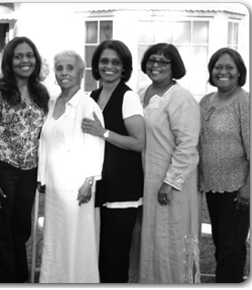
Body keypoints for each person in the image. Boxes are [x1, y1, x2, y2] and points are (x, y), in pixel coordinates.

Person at [0, 36, 50, 283]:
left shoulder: (41, 93)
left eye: (29, 55)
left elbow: (43, 135)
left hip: (29, 172)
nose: (25, 60)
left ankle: (17, 280)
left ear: (35, 59)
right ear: (9, 61)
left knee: (20, 231)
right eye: (18, 56)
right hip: (0, 170)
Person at [38, 50, 105, 283]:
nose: (64, 72)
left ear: (80, 74)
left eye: (70, 68)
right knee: (56, 239)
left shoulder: (88, 106)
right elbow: (45, 140)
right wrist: (42, 177)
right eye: (59, 68)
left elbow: (96, 144)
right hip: (55, 186)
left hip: (78, 186)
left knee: (77, 240)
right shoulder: (52, 102)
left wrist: (89, 181)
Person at [81, 40, 145, 283]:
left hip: (123, 188)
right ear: (97, 65)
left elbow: (139, 142)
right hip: (100, 186)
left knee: (115, 257)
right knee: (99, 255)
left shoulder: (128, 97)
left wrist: (104, 132)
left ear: (124, 68)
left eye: (116, 62)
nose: (109, 66)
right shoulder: (93, 96)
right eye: (104, 61)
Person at [137, 43, 201, 283]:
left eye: (163, 62)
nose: (156, 66)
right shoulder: (141, 92)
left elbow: (187, 145)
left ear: (174, 66)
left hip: (171, 183)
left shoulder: (181, 97)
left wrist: (170, 183)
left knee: (170, 239)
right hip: (146, 179)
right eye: (152, 60)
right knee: (150, 238)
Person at [198, 47, 249, 283]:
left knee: (231, 249)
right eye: (218, 67)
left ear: (240, 72)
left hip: (237, 188)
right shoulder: (206, 101)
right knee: (221, 245)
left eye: (229, 67)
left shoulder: (245, 101)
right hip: (212, 186)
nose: (223, 71)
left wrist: (249, 187)